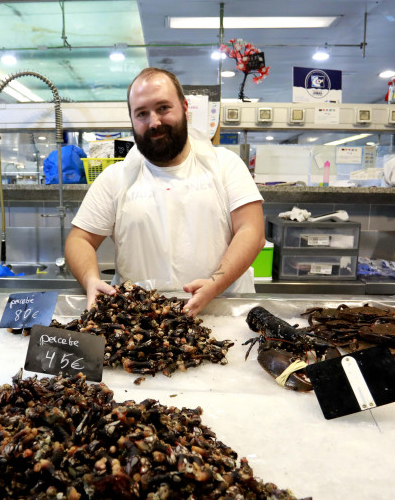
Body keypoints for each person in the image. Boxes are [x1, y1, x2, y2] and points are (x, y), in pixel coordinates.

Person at [65, 67, 265, 316]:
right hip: (141, 325)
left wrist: (216, 283)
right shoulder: (115, 179)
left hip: (223, 313)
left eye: (163, 108)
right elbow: (79, 239)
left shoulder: (225, 164)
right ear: (131, 120)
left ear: (184, 107)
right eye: (141, 114)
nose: (154, 122)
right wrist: (90, 280)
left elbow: (252, 231)